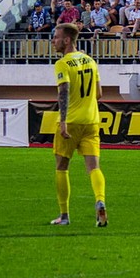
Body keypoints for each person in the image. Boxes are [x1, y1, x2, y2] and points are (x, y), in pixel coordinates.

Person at [49, 23, 107, 228]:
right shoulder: (91, 61)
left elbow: (63, 91)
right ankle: (100, 199)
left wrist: (63, 120)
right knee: (94, 167)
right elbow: (99, 93)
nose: (53, 41)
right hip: (91, 121)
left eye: (56, 37)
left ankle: (64, 215)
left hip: (71, 121)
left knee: (62, 167)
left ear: (67, 40)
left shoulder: (63, 63)